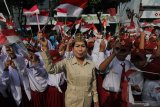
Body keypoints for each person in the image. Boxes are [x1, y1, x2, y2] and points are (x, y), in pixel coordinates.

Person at [39, 35, 99, 107]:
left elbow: (93, 84)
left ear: (86, 49)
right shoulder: (66, 62)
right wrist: (45, 48)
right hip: (72, 101)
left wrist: (96, 100)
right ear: (73, 49)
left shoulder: (91, 64)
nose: (80, 49)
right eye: (77, 46)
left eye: (83, 46)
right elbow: (51, 69)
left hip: (86, 101)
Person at [95, 38, 133, 107]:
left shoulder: (129, 64)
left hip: (121, 96)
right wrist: (114, 53)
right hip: (108, 95)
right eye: (119, 49)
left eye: (124, 50)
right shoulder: (111, 59)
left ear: (128, 51)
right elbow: (101, 69)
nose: (121, 52)